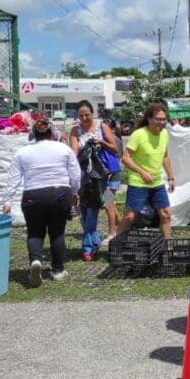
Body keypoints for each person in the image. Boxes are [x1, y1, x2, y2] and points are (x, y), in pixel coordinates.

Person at [2, 119, 80, 287]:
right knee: (57, 233)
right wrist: (74, 193)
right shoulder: (63, 148)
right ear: (52, 133)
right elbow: (75, 174)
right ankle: (58, 270)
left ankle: (35, 261)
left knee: (34, 232)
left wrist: (7, 201)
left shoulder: (22, 152)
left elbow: (13, 179)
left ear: (33, 134)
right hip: (60, 193)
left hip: (32, 196)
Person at [116, 103, 175, 239]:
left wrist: (171, 177)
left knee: (165, 214)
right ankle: (117, 242)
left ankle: (167, 247)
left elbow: (164, 156)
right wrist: (141, 172)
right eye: (157, 119)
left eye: (163, 119)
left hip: (156, 182)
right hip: (138, 182)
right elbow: (125, 158)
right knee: (130, 216)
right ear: (149, 119)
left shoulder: (165, 134)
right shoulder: (139, 134)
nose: (161, 122)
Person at [69, 101, 118, 261]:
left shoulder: (102, 126)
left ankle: (94, 244)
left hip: (105, 176)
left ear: (92, 113)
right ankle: (95, 239)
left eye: (87, 114)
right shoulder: (75, 131)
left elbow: (115, 148)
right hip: (83, 176)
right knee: (85, 209)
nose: (84, 118)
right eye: (81, 115)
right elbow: (74, 153)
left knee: (105, 204)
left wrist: (101, 142)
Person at [100, 119, 124, 247]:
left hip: (112, 174)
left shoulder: (115, 140)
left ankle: (112, 233)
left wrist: (101, 142)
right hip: (107, 174)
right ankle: (122, 228)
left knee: (108, 203)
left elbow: (117, 155)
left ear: (112, 130)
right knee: (110, 204)